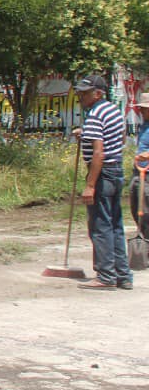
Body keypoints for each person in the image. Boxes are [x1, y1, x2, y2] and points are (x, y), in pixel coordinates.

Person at [71, 75, 130, 290]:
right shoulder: (113, 111)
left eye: (85, 93)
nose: (81, 96)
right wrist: (86, 133)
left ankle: (105, 276)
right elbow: (121, 138)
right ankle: (122, 275)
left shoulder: (95, 114)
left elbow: (98, 154)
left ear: (98, 93)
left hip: (102, 173)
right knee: (115, 224)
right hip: (116, 171)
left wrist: (90, 184)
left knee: (100, 226)